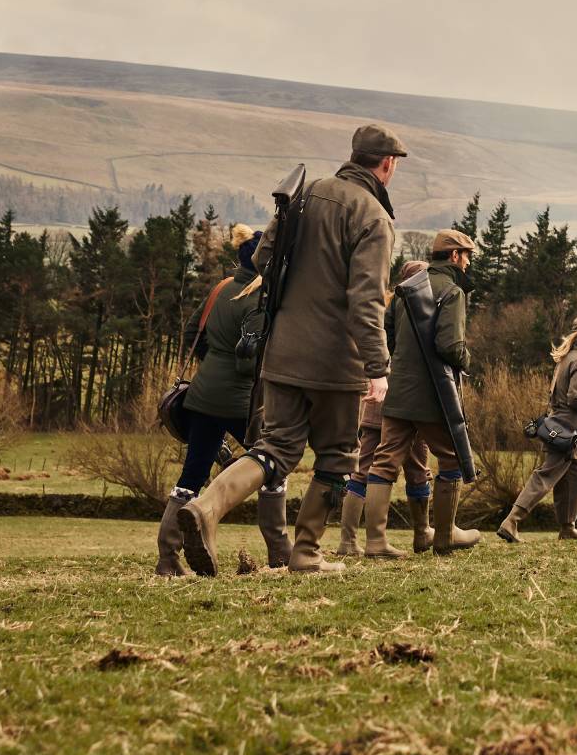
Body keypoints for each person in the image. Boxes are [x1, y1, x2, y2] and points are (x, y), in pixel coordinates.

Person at [168, 124, 403, 576]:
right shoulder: (373, 216)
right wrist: (378, 367)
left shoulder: (307, 193)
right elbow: (367, 299)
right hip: (337, 361)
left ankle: (206, 508)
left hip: (281, 351)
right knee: (337, 457)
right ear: (387, 164)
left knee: (274, 448)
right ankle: (307, 554)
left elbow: (261, 259)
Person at [364, 229, 483, 556]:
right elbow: (450, 345)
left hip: (399, 390)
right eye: (467, 257)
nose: (468, 264)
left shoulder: (405, 289)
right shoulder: (453, 292)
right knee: (452, 459)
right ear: (456, 256)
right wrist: (467, 359)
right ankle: (445, 536)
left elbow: (386, 334)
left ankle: (375, 541)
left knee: (384, 461)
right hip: (434, 395)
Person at [156, 225, 263, 576]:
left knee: (192, 473)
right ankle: (281, 551)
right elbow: (250, 361)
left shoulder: (220, 288)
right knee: (271, 463)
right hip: (241, 399)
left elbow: (192, 334)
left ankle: (168, 558)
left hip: (202, 394)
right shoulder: (258, 297)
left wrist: (214, 361)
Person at [343, 261, 435, 558]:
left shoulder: (385, 315)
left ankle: (348, 540)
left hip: (376, 401)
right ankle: (422, 534)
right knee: (419, 469)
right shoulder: (422, 315)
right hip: (409, 401)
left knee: (364, 468)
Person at [501, 313, 577, 541]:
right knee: (545, 477)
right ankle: (511, 522)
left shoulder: (570, 357)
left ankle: (567, 527)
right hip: (567, 432)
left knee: (576, 478)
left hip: (563, 430)